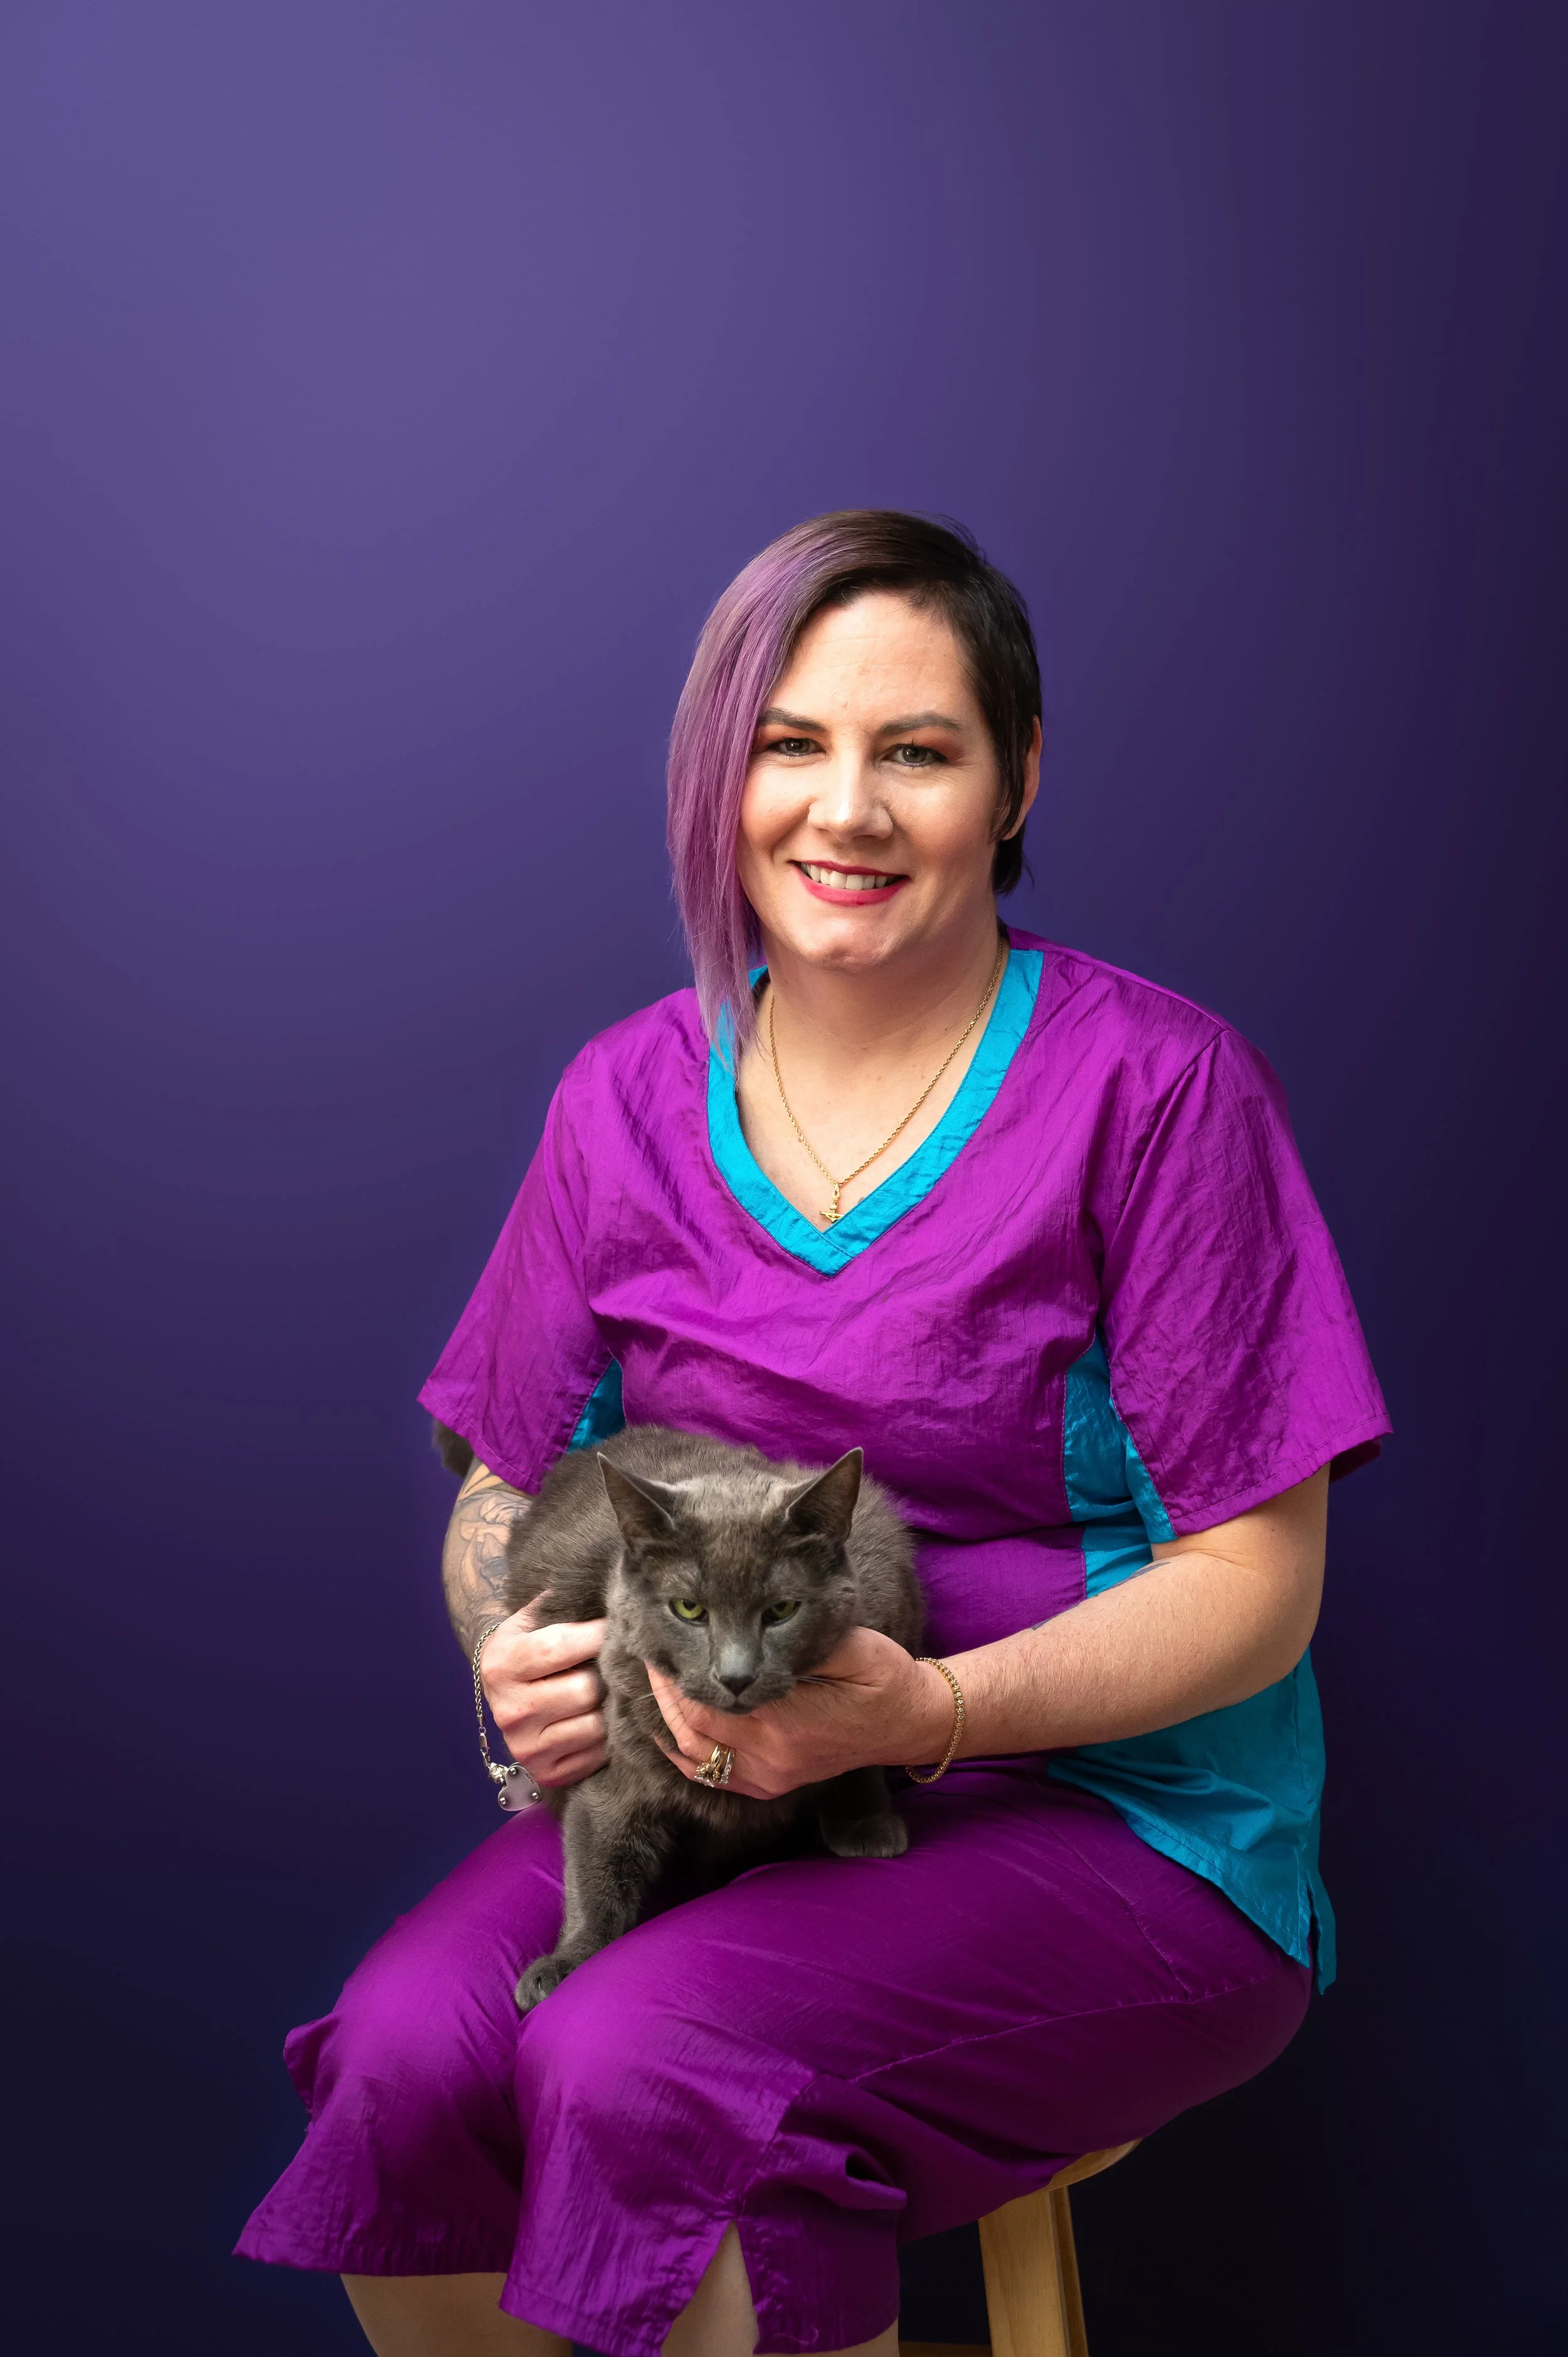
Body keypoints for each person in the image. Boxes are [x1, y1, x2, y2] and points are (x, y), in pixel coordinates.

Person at [239, 511, 1389, 2357]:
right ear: (719, 776)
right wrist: (511, 1654)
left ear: (1013, 782)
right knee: (401, 2051)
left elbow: (1257, 1585)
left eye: (914, 750)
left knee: (638, 2055)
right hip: (695, 1780)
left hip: (1112, 1820)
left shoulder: (1157, 1091)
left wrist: (922, 1714)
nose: (841, 808)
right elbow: (510, 1477)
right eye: (788, 744)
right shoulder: (619, 1095)